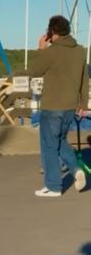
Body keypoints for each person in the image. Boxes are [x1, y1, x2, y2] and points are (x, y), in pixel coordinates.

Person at [30, 15, 89, 197]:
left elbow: (35, 71)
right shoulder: (80, 51)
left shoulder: (51, 51)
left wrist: (41, 48)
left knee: (49, 145)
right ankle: (76, 169)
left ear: (52, 31)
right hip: (70, 106)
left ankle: (54, 186)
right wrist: (83, 103)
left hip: (52, 105)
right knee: (60, 140)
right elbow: (84, 79)